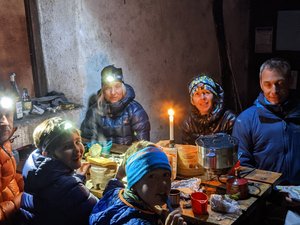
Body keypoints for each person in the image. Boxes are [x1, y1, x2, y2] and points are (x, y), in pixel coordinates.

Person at [232, 58, 300, 224]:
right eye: (268, 84)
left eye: (280, 83)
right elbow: (243, 167)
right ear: (261, 84)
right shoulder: (246, 120)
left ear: (290, 81)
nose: (274, 90)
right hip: (265, 197)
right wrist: (273, 194)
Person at [20, 117, 98, 225]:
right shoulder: (69, 187)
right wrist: (115, 183)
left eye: (77, 141)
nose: (77, 149)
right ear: (47, 153)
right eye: (67, 146)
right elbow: (101, 213)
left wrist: (78, 178)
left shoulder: (35, 167)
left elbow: (62, 196)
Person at [89, 143, 187, 225]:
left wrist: (119, 176)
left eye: (166, 174)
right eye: (152, 177)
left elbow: (113, 186)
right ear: (134, 183)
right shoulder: (136, 222)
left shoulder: (116, 193)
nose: (163, 183)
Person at [80, 65, 150, 145]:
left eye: (117, 86)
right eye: (107, 88)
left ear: (123, 88)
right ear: (103, 90)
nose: (113, 92)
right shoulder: (94, 111)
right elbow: (85, 141)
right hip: (101, 157)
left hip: (129, 157)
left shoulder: (135, 111)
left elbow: (142, 146)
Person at [182, 74, 236, 144]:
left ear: (214, 96)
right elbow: (186, 151)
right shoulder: (188, 124)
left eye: (207, 92)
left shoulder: (229, 120)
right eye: (197, 94)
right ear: (192, 101)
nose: (202, 98)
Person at [0, 90, 24, 224]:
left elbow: (8, 178)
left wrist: (28, 181)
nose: (4, 122)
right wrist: (18, 202)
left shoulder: (4, 144)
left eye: (7, 114)